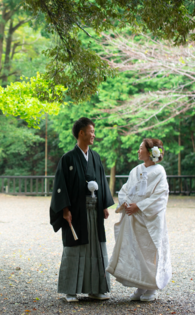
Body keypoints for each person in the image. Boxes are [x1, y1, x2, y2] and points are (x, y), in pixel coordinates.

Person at [50, 117, 115, 302]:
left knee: (95, 248)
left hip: (94, 211)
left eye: (94, 132)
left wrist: (103, 204)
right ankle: (70, 291)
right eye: (91, 131)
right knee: (75, 248)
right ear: (81, 133)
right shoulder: (68, 159)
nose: (93, 135)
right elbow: (60, 187)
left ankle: (95, 289)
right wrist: (64, 209)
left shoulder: (95, 157)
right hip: (76, 211)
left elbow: (101, 181)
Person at [106, 138, 172, 302]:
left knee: (149, 251)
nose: (138, 150)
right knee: (136, 252)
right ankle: (141, 286)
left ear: (150, 152)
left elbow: (160, 196)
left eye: (141, 148)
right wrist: (128, 204)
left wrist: (140, 206)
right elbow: (124, 190)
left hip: (149, 219)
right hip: (133, 217)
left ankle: (151, 287)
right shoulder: (135, 170)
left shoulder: (159, 171)